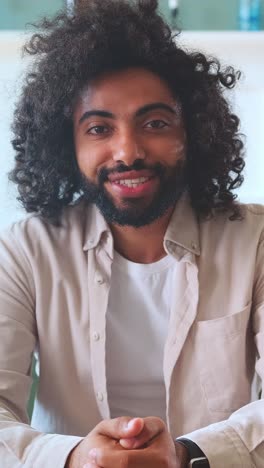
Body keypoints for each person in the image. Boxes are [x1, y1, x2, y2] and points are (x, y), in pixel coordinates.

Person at [0, 0, 263, 466]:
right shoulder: (23, 251)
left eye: (155, 123)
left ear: (195, 131)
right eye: (99, 128)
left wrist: (187, 455)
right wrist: (75, 457)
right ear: (68, 145)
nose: (128, 151)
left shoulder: (256, 241)